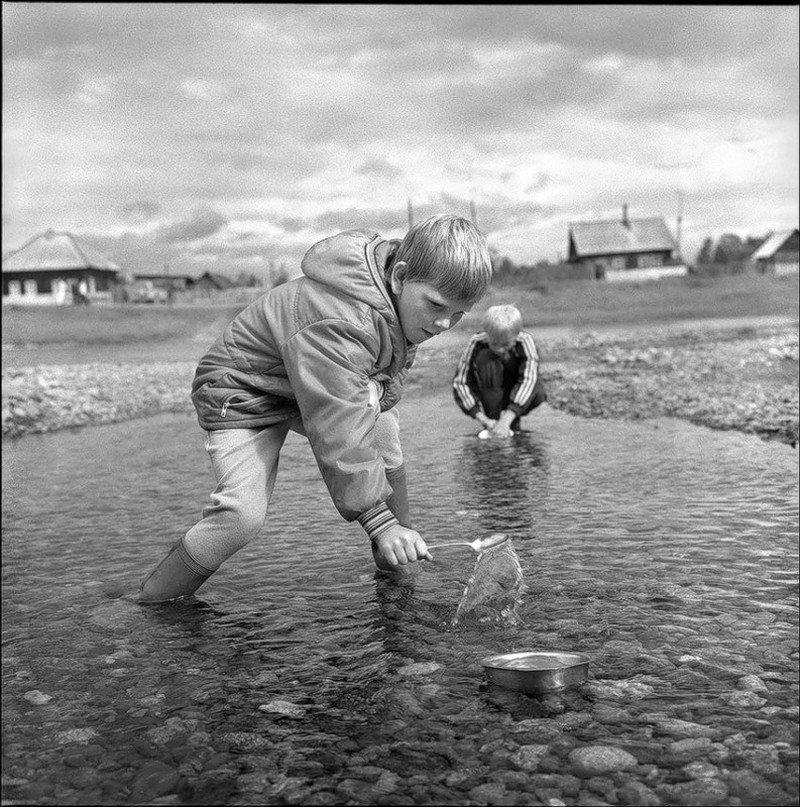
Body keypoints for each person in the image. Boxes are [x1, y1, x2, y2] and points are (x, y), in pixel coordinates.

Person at [138, 214, 493, 603]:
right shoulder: (341, 320)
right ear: (400, 277)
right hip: (242, 392)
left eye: (458, 315)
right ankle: (153, 602)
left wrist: (375, 396)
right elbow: (337, 426)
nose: (444, 323)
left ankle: (399, 554)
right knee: (241, 517)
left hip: (294, 386)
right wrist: (377, 520)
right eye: (437, 306)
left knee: (383, 425)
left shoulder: (404, 310)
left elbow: (387, 382)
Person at [452, 304, 546, 438]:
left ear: (517, 335)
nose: (499, 349)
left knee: (535, 387)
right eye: (494, 344)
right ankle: (494, 419)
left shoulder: (525, 341)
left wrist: (507, 418)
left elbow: (528, 380)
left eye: (506, 344)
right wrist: (482, 418)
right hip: (490, 388)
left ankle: (511, 420)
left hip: (518, 388)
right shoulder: (477, 342)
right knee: (486, 358)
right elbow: (460, 382)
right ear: (487, 334)